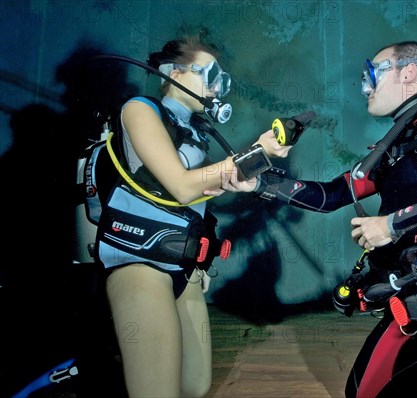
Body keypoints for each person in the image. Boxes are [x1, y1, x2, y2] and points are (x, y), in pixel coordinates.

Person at [221, 41, 417, 397]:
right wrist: (260, 182)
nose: (364, 87)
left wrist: (393, 225)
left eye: (371, 74)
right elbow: (332, 195)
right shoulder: (392, 146)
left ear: (408, 73)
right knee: (362, 391)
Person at [94, 36, 290, 397]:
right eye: (210, 74)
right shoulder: (139, 110)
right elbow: (182, 187)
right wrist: (257, 152)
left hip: (182, 267)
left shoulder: (197, 131)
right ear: (173, 72)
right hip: (140, 263)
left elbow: (194, 199)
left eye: (223, 79)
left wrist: (238, 182)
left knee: (195, 386)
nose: (217, 87)